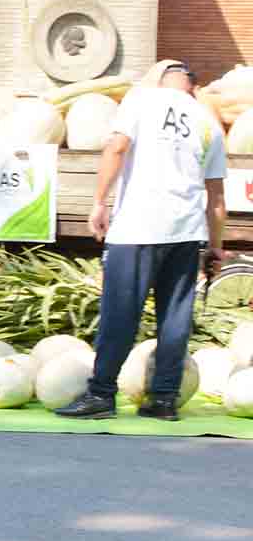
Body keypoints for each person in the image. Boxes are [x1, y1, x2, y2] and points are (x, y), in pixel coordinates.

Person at [57, 61, 227, 422]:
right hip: (186, 231)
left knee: (120, 312)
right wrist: (216, 246)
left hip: (138, 225)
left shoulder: (141, 101)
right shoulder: (208, 122)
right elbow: (216, 198)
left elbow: (117, 148)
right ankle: (164, 399)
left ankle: (101, 394)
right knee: (175, 318)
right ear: (191, 88)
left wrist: (99, 201)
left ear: (160, 82)